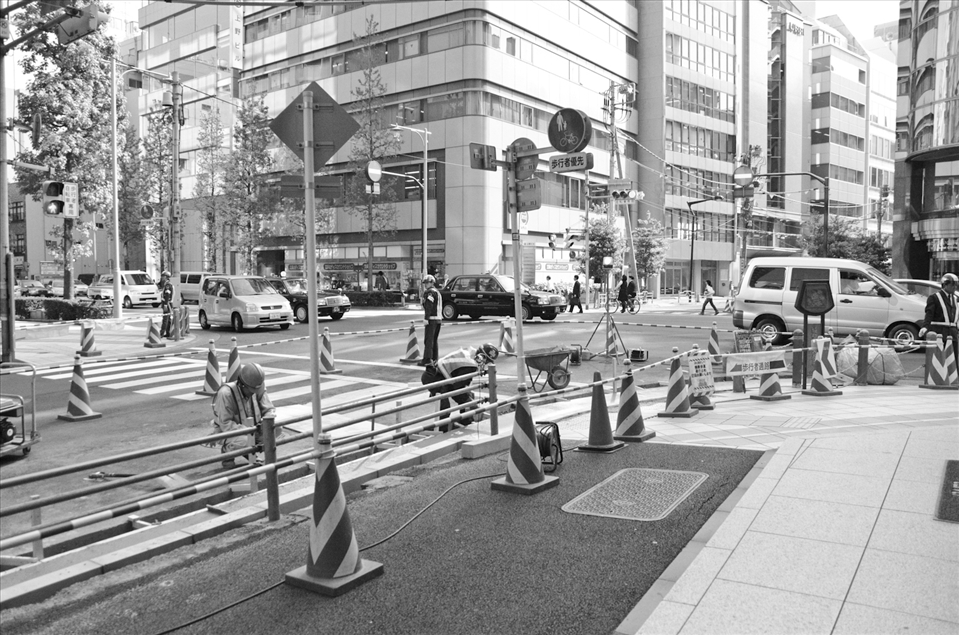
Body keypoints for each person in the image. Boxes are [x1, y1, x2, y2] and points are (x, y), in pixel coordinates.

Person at [211, 363, 277, 469]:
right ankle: (228, 452)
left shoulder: (258, 386)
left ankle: (249, 452)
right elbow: (226, 425)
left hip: (253, 428)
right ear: (242, 385)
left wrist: (265, 423)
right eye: (251, 390)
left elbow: (269, 409)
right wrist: (250, 431)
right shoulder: (226, 393)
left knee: (276, 429)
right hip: (228, 432)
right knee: (246, 441)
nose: (254, 393)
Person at [421, 343, 497, 432]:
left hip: (441, 376)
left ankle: (465, 421)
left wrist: (469, 401)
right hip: (434, 377)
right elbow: (458, 389)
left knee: (468, 397)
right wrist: (472, 403)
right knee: (445, 408)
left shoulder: (470, 354)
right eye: (486, 361)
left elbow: (459, 386)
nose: (485, 364)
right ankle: (441, 430)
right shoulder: (470, 366)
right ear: (481, 357)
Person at [919, 273, 958, 364]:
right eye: (952, 285)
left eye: (956, 285)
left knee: (953, 361)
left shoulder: (955, 298)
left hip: (952, 334)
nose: (955, 287)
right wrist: (925, 326)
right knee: (940, 361)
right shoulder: (934, 297)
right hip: (939, 333)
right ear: (945, 285)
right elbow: (929, 313)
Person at [421, 274, 442, 366]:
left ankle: (427, 359)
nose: (425, 285)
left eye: (427, 283)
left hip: (432, 319)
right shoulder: (437, 292)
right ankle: (434, 359)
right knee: (434, 340)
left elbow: (429, 306)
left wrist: (426, 318)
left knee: (428, 340)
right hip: (438, 319)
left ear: (432, 283)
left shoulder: (429, 293)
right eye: (425, 283)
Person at [158, 271, 174, 338]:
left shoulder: (168, 285)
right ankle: (168, 333)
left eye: (163, 276)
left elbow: (167, 295)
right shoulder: (167, 284)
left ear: (166, 277)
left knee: (165, 319)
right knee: (168, 319)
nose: (162, 277)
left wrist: (165, 305)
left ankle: (161, 333)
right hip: (168, 303)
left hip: (167, 304)